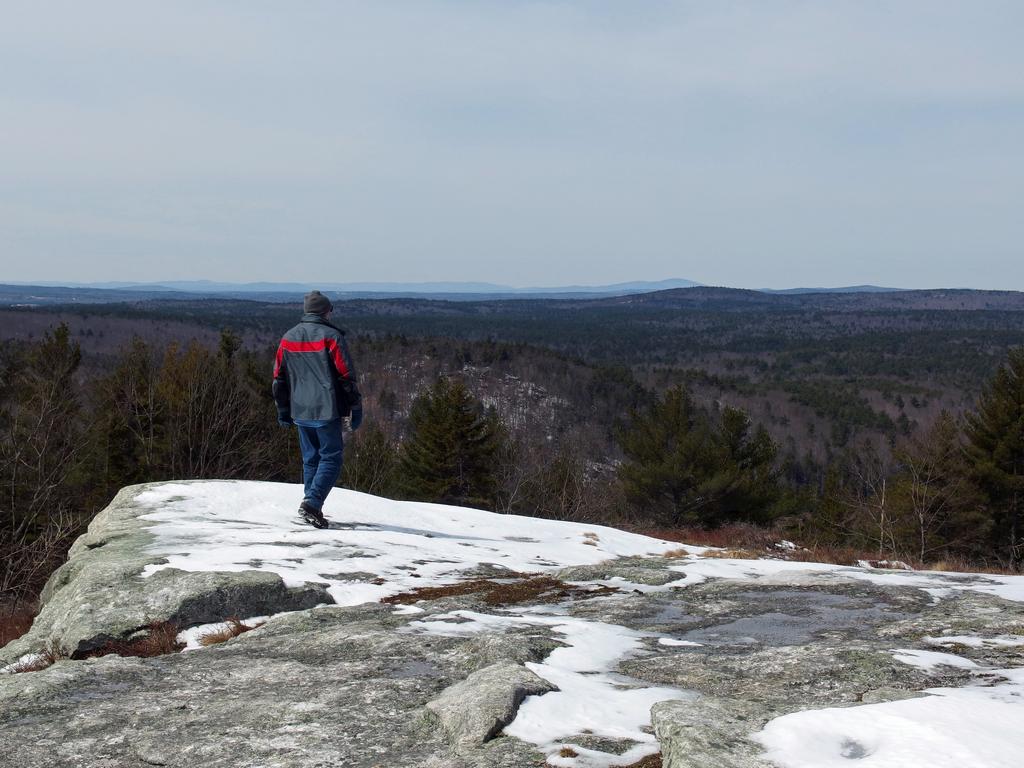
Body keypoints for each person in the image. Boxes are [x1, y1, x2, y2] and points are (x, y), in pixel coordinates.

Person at [272, 290, 363, 528]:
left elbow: (278, 378)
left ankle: (310, 504)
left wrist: (283, 409)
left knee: (311, 459)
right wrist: (355, 406)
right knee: (331, 458)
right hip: (325, 408)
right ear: (325, 311)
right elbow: (346, 376)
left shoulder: (288, 337)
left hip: (299, 409)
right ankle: (312, 504)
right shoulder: (331, 336)